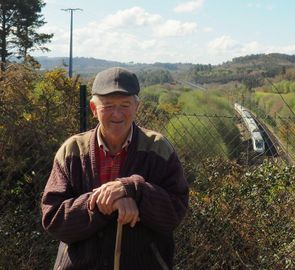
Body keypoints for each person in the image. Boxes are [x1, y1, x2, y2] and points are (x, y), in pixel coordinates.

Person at [41, 67, 189, 269]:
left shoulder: (158, 148)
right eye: (108, 105)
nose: (117, 114)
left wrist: (135, 190)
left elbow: (175, 212)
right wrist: (105, 205)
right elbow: (53, 219)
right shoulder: (72, 150)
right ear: (94, 109)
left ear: (137, 106)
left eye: (125, 105)